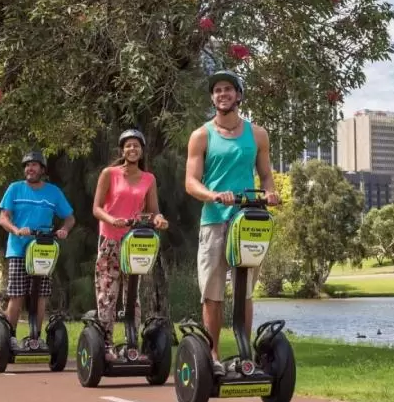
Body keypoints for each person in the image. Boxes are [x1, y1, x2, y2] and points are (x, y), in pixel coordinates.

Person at [184, 70, 280, 376]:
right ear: (212, 98)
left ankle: (244, 352)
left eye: (228, 89)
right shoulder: (201, 135)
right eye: (217, 90)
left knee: (245, 290)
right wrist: (213, 195)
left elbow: (265, 174)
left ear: (238, 95)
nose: (222, 94)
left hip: (248, 220)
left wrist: (271, 192)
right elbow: (190, 181)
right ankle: (211, 354)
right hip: (214, 221)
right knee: (213, 292)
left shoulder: (258, 134)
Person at [92, 129, 169, 362]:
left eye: (136, 145)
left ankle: (131, 342)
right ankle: (105, 344)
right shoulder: (110, 173)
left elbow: (153, 210)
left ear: (142, 150)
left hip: (135, 241)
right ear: (122, 150)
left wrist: (159, 220)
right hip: (111, 240)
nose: (132, 149)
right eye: (128, 146)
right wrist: (111, 219)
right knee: (108, 292)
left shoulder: (148, 179)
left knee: (132, 294)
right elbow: (96, 208)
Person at [0, 151, 75, 349]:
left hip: (43, 249)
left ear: (42, 169)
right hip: (18, 249)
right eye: (27, 165)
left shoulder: (53, 192)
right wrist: (16, 230)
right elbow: (3, 218)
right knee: (17, 294)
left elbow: (69, 217)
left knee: (40, 294)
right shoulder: (15, 189)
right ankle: (10, 338)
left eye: (34, 165)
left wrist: (64, 229)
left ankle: (35, 338)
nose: (29, 169)